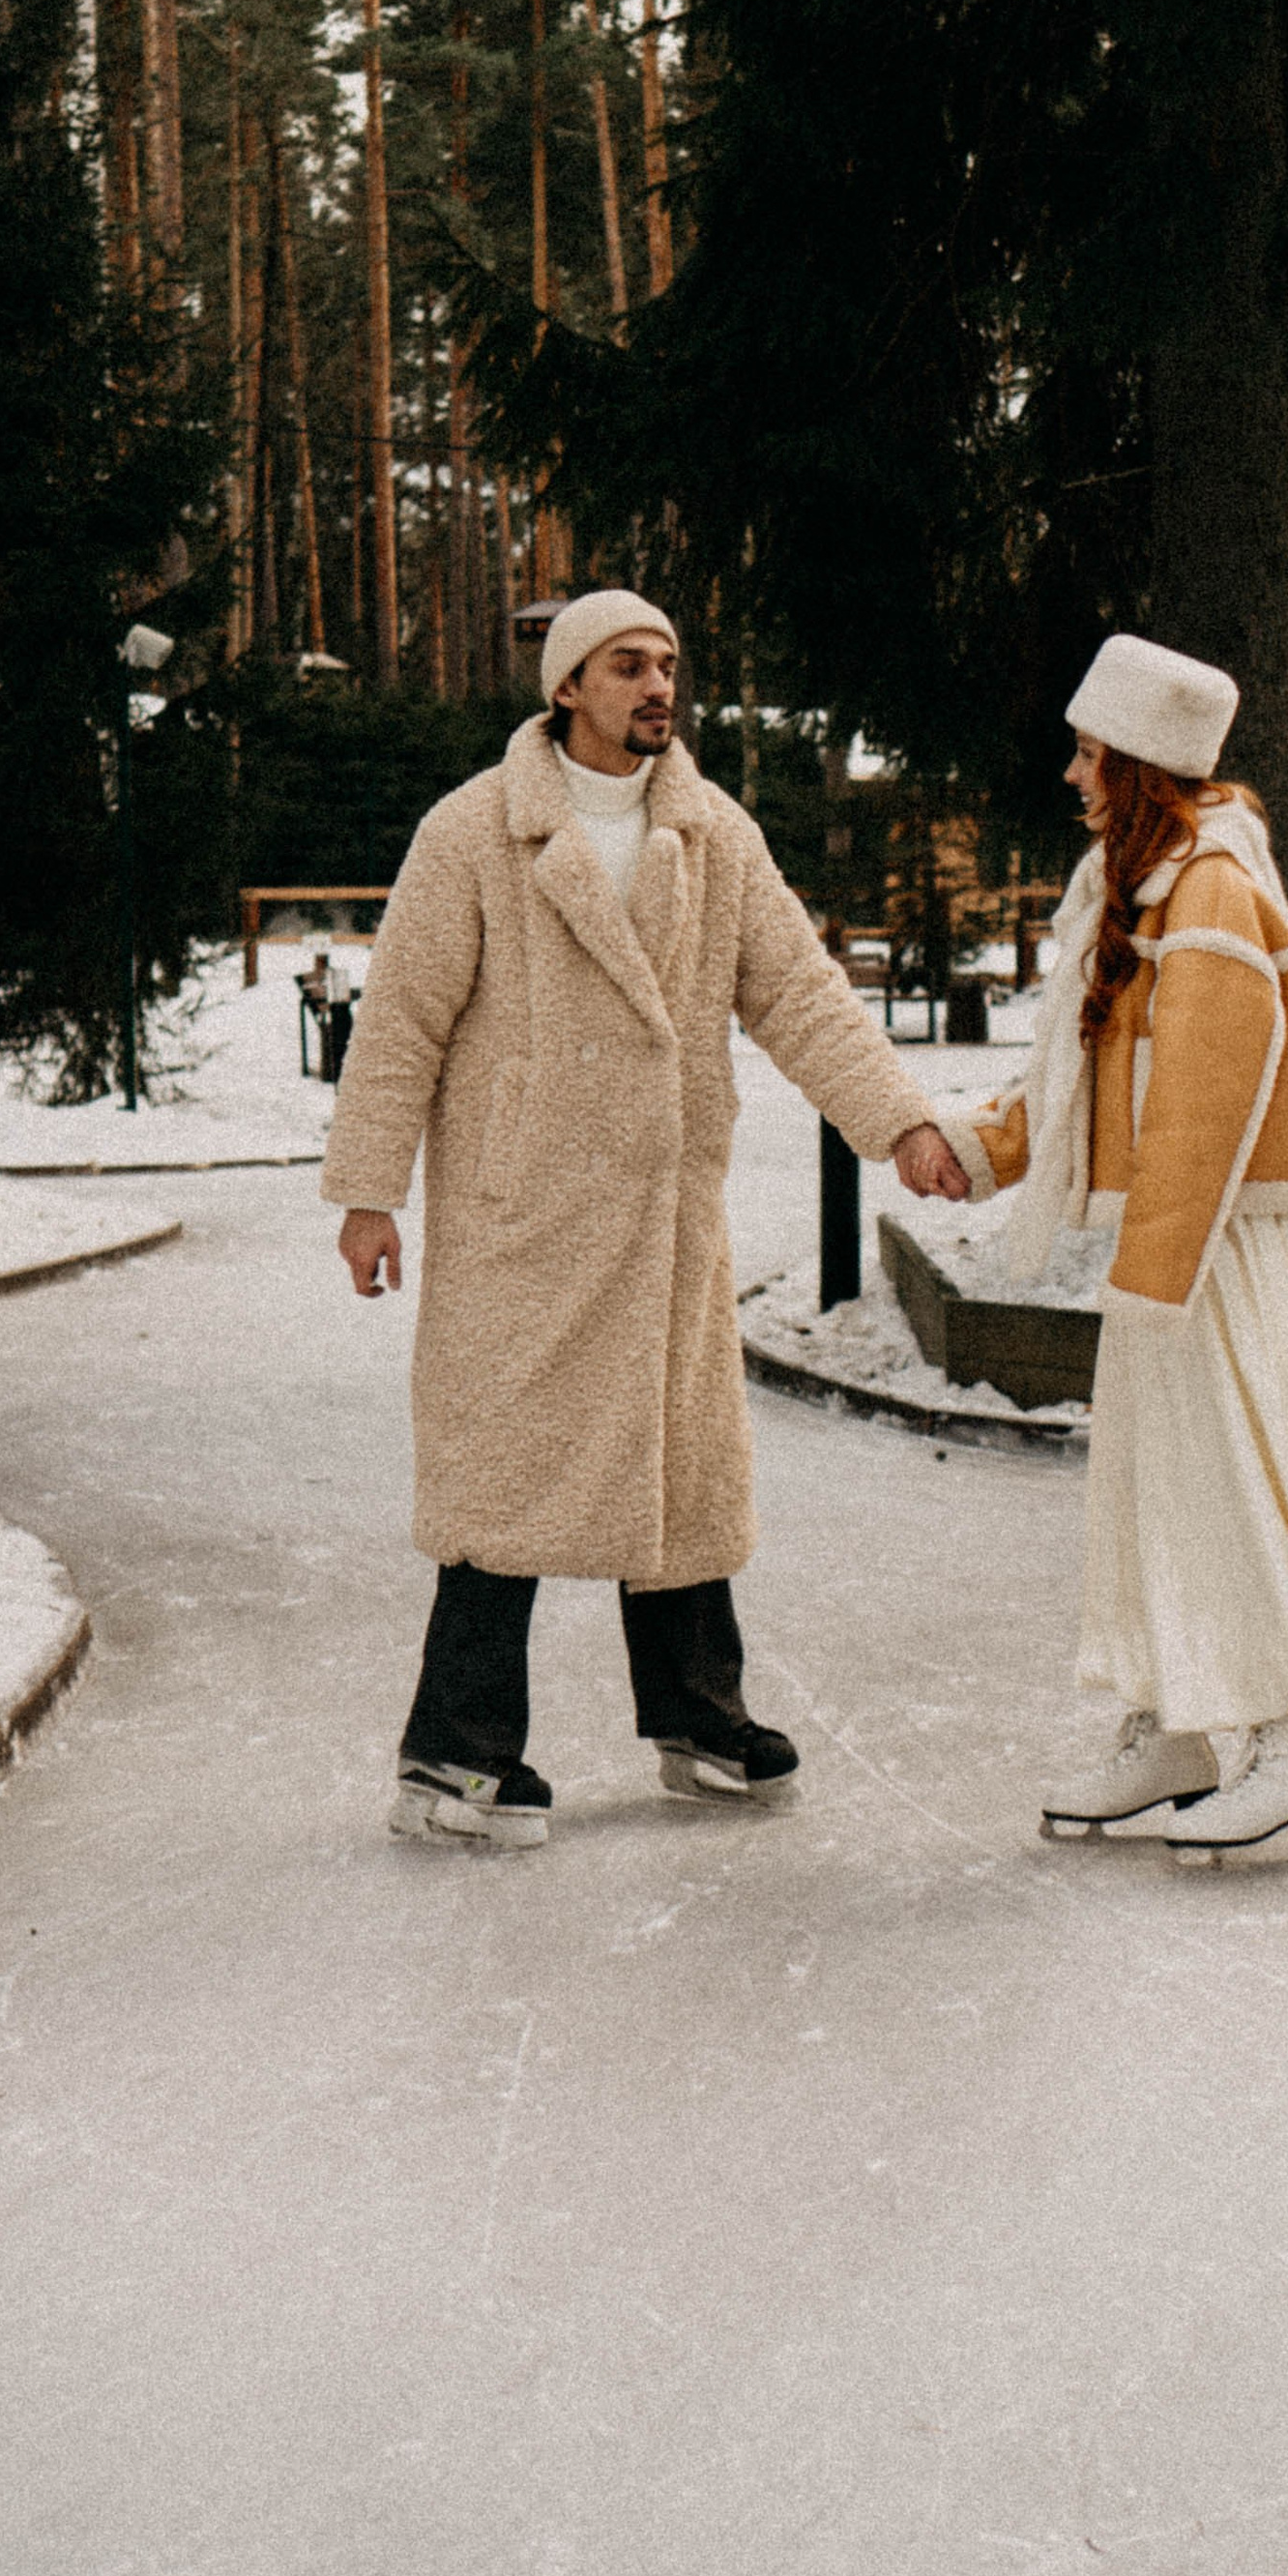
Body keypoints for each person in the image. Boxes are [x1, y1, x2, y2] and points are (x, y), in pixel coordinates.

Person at [322, 588, 970, 1850]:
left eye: (668, 664)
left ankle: (698, 1716)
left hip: (666, 1215)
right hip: (525, 1214)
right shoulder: (477, 832)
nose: (657, 685)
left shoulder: (711, 833)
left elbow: (802, 995)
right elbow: (398, 1020)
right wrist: (366, 1195)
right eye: (628, 665)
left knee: (680, 1466)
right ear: (569, 687)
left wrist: (901, 1124)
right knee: (502, 1470)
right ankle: (453, 1752)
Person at [936, 633, 1288, 1856]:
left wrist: (1154, 1271)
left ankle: (1287, 1739)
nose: (1071, 772)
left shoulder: (1212, 886)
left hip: (1210, 1253)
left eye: (1087, 750)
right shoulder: (1143, 878)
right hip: (1171, 1250)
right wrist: (982, 1147)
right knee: (1157, 1490)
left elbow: (1209, 1098)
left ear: (1141, 762)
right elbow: (1089, 1067)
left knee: (1231, 1483)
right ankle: (1175, 1721)